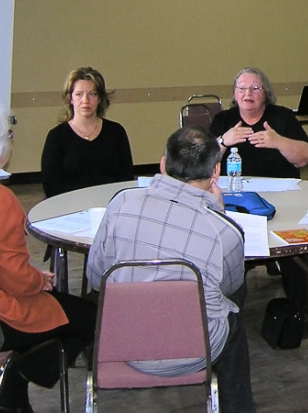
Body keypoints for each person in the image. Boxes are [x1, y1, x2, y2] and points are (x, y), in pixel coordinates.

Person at [0, 101, 97, 413]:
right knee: (92, 318)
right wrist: (40, 280)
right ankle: (14, 378)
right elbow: (17, 280)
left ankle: (13, 388)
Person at [87, 126, 256, 413]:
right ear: (216, 172)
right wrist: (219, 213)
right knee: (234, 309)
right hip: (196, 349)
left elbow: (95, 277)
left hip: (122, 342)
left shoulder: (120, 204)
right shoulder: (223, 232)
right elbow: (228, 289)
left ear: (163, 163)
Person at [210, 66, 308, 327]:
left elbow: (306, 155)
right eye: (242, 88)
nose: (248, 93)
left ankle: (300, 315)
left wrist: (279, 141)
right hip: (235, 200)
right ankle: (225, 314)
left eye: (255, 88)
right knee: (227, 246)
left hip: (281, 199)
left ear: (265, 94)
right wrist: (223, 142)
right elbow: (199, 164)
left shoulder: (281, 118)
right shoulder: (223, 121)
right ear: (234, 94)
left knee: (294, 249)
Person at [41, 66, 134, 198]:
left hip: (109, 206)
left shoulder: (116, 132)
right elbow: (51, 185)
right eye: (79, 94)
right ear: (70, 99)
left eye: (92, 94)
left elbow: (126, 178)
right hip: (68, 208)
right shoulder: (56, 137)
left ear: (100, 98)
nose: (85, 100)